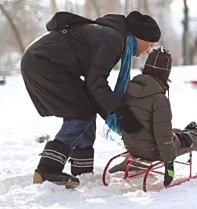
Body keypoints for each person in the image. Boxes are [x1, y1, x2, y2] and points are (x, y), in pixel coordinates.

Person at [21, 10, 161, 188]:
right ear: (139, 37)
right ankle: (47, 169)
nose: (149, 51)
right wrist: (119, 112)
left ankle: (82, 170)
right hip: (43, 64)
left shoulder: (112, 35)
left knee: (86, 110)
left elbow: (93, 86)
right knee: (80, 115)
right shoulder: (113, 39)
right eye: (150, 44)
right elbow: (96, 82)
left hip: (44, 63)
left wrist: (113, 111)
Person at [109, 48, 197, 187]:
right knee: (182, 140)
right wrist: (169, 166)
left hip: (133, 147)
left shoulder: (129, 89)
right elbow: (164, 138)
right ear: (165, 74)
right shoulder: (159, 100)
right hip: (153, 152)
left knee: (171, 131)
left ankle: (185, 132)